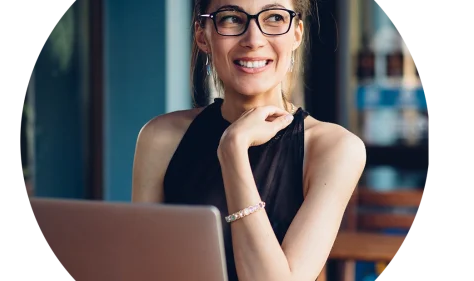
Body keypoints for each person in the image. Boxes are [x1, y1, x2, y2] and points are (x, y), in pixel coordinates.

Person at [132, 0, 367, 280]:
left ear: (296, 34)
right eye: (231, 18)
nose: (254, 39)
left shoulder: (336, 149)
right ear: (202, 35)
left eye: (275, 18)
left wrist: (233, 149)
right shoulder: (160, 137)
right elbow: (142, 269)